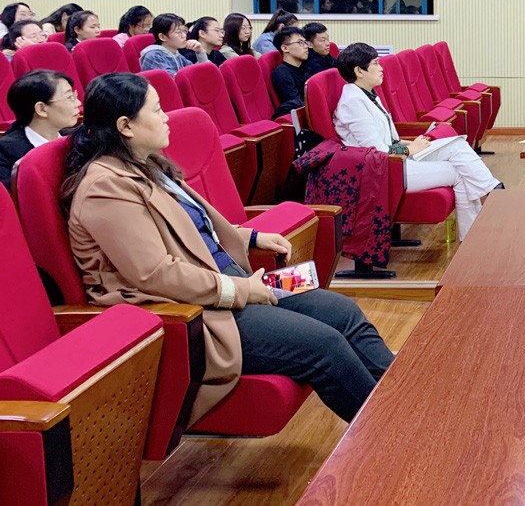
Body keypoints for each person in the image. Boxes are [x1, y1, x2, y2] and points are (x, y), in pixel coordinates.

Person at [64, 73, 393, 424]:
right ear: (125, 126)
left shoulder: (146, 164)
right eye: (157, 110)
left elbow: (191, 228)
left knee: (343, 311)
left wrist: (251, 238)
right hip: (200, 306)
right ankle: (389, 433)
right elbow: (155, 274)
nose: (166, 118)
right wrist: (242, 290)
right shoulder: (105, 188)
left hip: (235, 279)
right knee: (325, 345)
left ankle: (408, 397)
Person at [333, 43, 501, 239]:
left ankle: (492, 190)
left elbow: (390, 139)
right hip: (383, 170)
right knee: (460, 172)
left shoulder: (367, 93)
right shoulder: (353, 102)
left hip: (397, 157)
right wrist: (410, 149)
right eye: (375, 63)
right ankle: (475, 233)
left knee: (456, 144)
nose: (381, 68)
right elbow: (376, 151)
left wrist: (410, 143)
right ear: (359, 71)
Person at [0, 69, 80, 187]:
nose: (78, 103)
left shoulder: (76, 138)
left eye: (74, 95)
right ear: (42, 109)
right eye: (69, 97)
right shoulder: (6, 152)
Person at [140, 13, 206, 76]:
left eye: (184, 30)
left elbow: (197, 73)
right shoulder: (154, 57)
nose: (184, 35)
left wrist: (200, 52)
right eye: (178, 32)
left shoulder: (176, 55)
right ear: (162, 37)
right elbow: (173, 79)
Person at [270, 27, 309, 119]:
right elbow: (296, 102)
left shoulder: (304, 67)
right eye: (300, 43)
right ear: (285, 48)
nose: (306, 46)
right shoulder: (282, 73)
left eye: (305, 42)